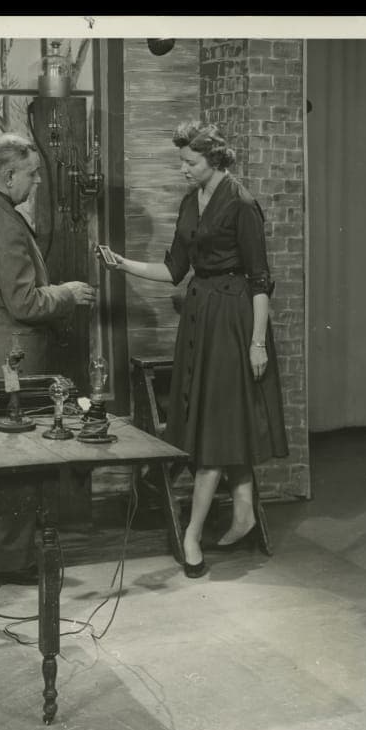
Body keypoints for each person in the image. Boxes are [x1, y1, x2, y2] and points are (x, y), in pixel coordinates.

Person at [102, 121, 288, 578]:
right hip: (200, 319)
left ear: (215, 160)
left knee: (215, 428)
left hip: (234, 319)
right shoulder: (191, 202)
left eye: (190, 162)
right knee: (218, 420)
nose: (182, 169)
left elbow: (261, 282)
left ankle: (192, 533)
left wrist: (257, 343)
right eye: (181, 161)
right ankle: (241, 508)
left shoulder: (242, 205)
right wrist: (123, 264)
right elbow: (173, 270)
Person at [0, 133, 95, 585]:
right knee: (17, 462)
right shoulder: (7, 224)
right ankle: (11, 563)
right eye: (31, 175)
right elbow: (24, 303)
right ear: (9, 174)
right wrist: (67, 294)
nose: (34, 184)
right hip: (13, 358)